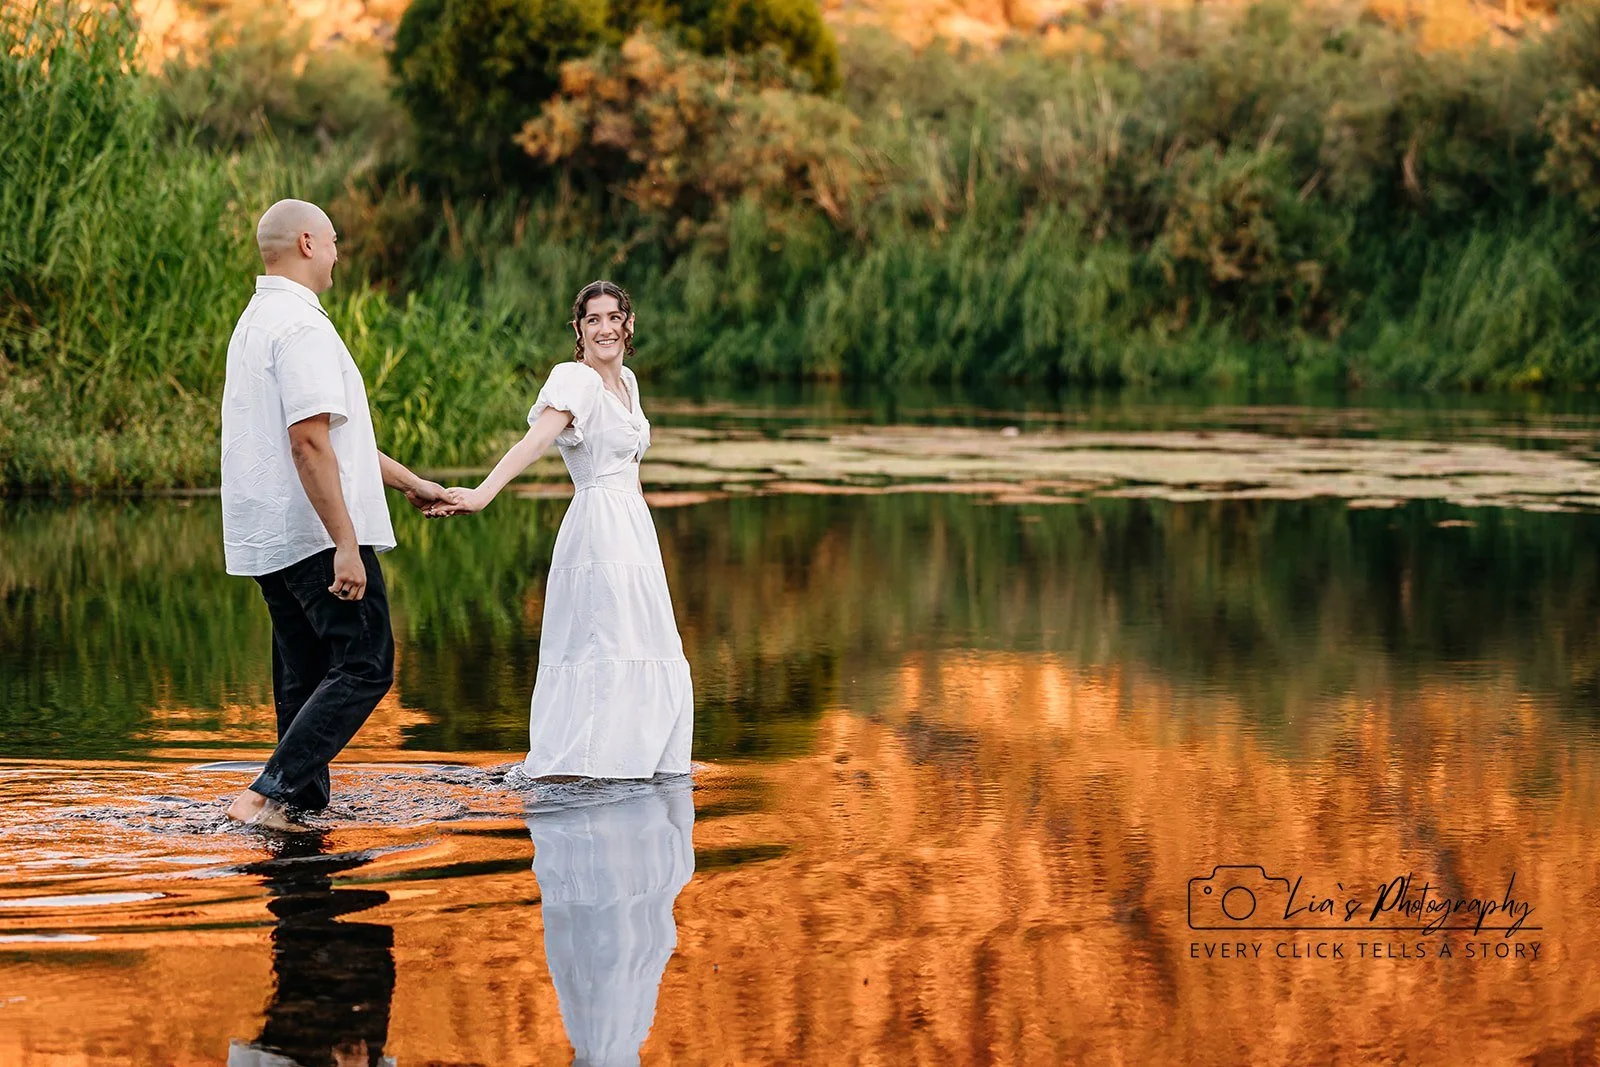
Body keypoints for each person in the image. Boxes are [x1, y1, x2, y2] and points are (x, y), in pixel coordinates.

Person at [220, 198, 448, 830]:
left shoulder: (255, 323)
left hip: (272, 539)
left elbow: (335, 441)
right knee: (367, 663)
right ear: (307, 244)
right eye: (334, 240)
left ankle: (294, 809)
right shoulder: (302, 328)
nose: (340, 253)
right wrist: (346, 542)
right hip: (315, 537)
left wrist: (411, 483)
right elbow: (309, 441)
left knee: (303, 680)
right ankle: (265, 795)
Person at [429, 281, 693, 780]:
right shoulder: (577, 381)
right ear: (579, 329)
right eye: (592, 320)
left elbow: (630, 469)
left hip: (635, 532)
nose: (605, 328)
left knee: (647, 644)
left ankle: (639, 765)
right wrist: (483, 493)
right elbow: (533, 442)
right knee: (605, 647)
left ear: (629, 323)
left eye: (613, 317)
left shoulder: (628, 384)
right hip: (597, 531)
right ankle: (593, 769)